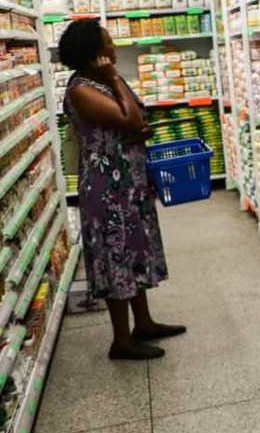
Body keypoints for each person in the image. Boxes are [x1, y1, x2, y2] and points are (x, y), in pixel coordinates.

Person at [59, 20, 185, 360]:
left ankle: (142, 323)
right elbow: (129, 121)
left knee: (134, 250)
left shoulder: (100, 81)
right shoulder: (81, 89)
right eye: (107, 42)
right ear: (95, 53)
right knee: (115, 256)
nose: (113, 46)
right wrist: (115, 78)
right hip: (106, 188)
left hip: (127, 181)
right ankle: (121, 340)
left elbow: (137, 115)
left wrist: (120, 92)